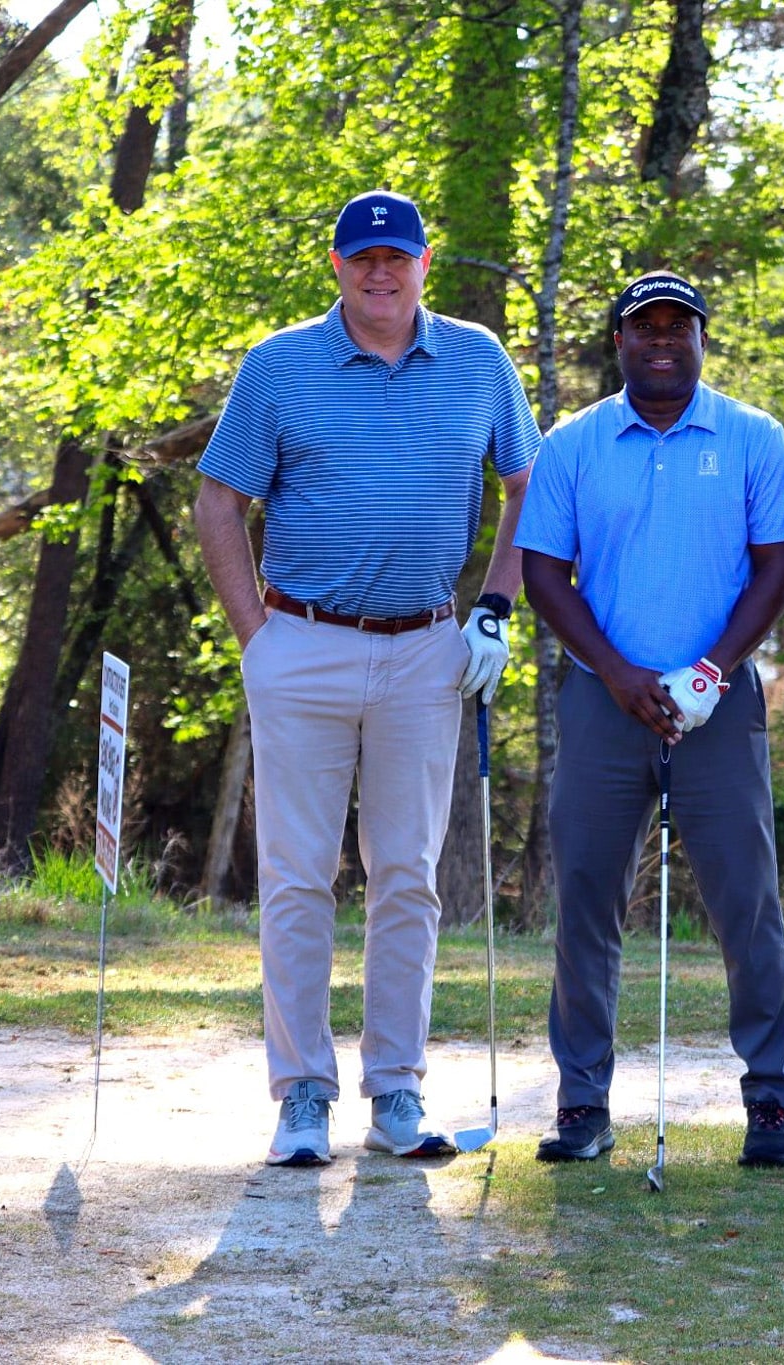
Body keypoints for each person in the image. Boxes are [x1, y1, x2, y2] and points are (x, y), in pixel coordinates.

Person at [194, 189, 538, 1166]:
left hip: (428, 647)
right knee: (298, 877)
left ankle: (395, 1090)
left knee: (407, 877)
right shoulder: (280, 364)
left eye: (397, 258)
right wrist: (257, 639)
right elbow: (218, 503)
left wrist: (493, 607)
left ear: (424, 264)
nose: (380, 273)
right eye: (363, 259)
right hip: (301, 643)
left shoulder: (477, 360)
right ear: (338, 266)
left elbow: (530, 486)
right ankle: (303, 1092)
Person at [518, 271, 784, 1167]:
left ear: (701, 339)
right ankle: (582, 1102)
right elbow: (542, 573)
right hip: (604, 702)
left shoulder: (753, 436)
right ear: (619, 340)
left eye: (678, 326)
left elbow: (779, 563)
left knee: (746, 902)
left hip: (717, 702)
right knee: (585, 902)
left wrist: (711, 670)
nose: (661, 340)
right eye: (644, 326)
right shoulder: (573, 443)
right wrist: (616, 673)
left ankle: (772, 1100)